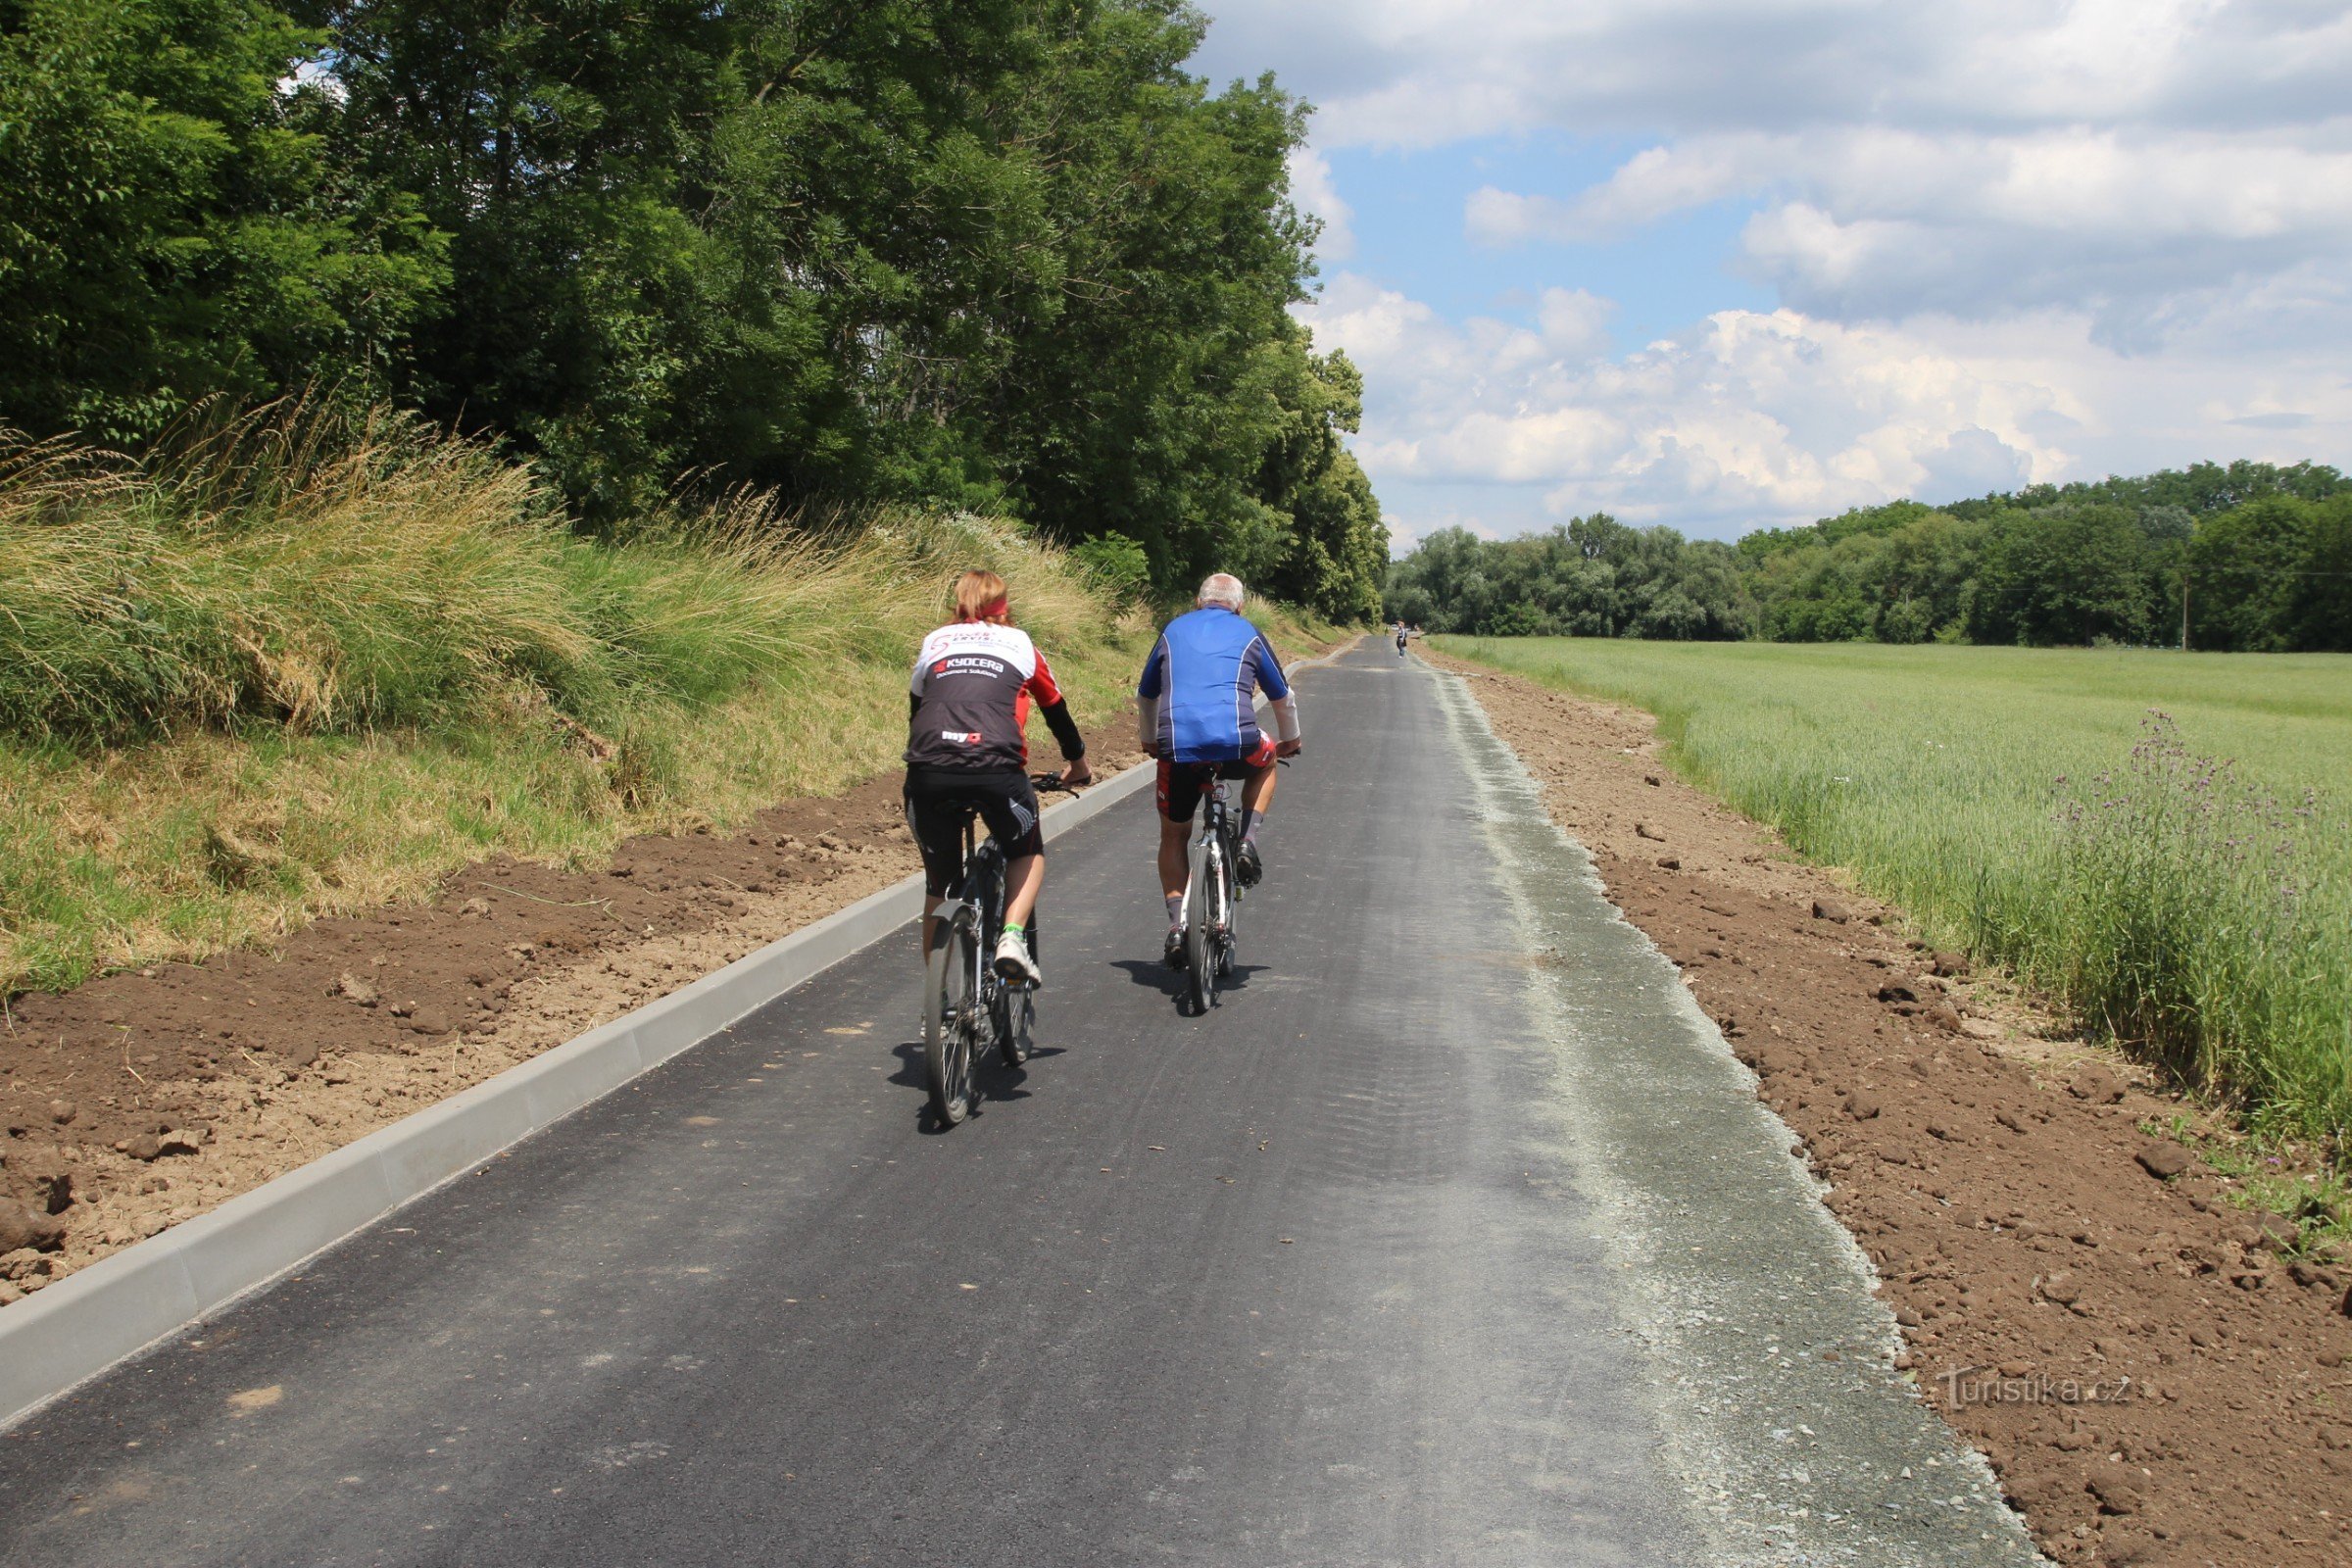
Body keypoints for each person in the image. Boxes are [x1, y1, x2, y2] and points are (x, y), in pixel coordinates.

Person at [905, 569, 1093, 988]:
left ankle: (939, 995)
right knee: (1027, 851)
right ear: (1005, 608)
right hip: (996, 768)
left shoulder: (935, 641)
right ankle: (1011, 938)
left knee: (940, 885)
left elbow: (918, 711)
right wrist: (1077, 763)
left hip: (929, 770)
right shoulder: (1021, 643)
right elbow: (1055, 708)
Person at [1136, 572, 1301, 965]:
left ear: (1198, 600)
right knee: (1267, 759)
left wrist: (1149, 740)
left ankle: (1177, 926)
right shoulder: (1248, 632)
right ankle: (1246, 840)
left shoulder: (1172, 630)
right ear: (1239, 606)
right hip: (1237, 745)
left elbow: (1146, 695)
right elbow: (1282, 696)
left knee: (1174, 836)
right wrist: (1290, 739)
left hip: (1178, 749)